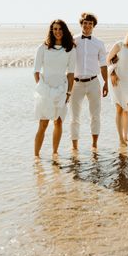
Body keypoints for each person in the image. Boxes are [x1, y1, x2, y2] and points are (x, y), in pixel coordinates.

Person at [33, 19, 76, 158]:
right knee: (43, 123)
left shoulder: (70, 49)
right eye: (55, 29)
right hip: (45, 90)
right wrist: (42, 88)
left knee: (58, 122)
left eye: (60, 29)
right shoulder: (43, 48)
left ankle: (55, 154)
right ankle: (36, 157)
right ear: (52, 31)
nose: (58, 31)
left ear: (65, 31)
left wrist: (69, 92)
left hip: (61, 89)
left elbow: (71, 73)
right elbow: (36, 71)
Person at [69, 12, 108, 152]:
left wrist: (106, 83)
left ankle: (94, 145)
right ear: (81, 24)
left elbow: (103, 64)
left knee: (95, 115)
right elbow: (66, 61)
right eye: (85, 23)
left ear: (93, 26)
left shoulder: (99, 43)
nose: (87, 25)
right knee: (74, 117)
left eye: (90, 23)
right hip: (76, 83)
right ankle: (75, 147)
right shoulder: (73, 41)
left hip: (93, 83)